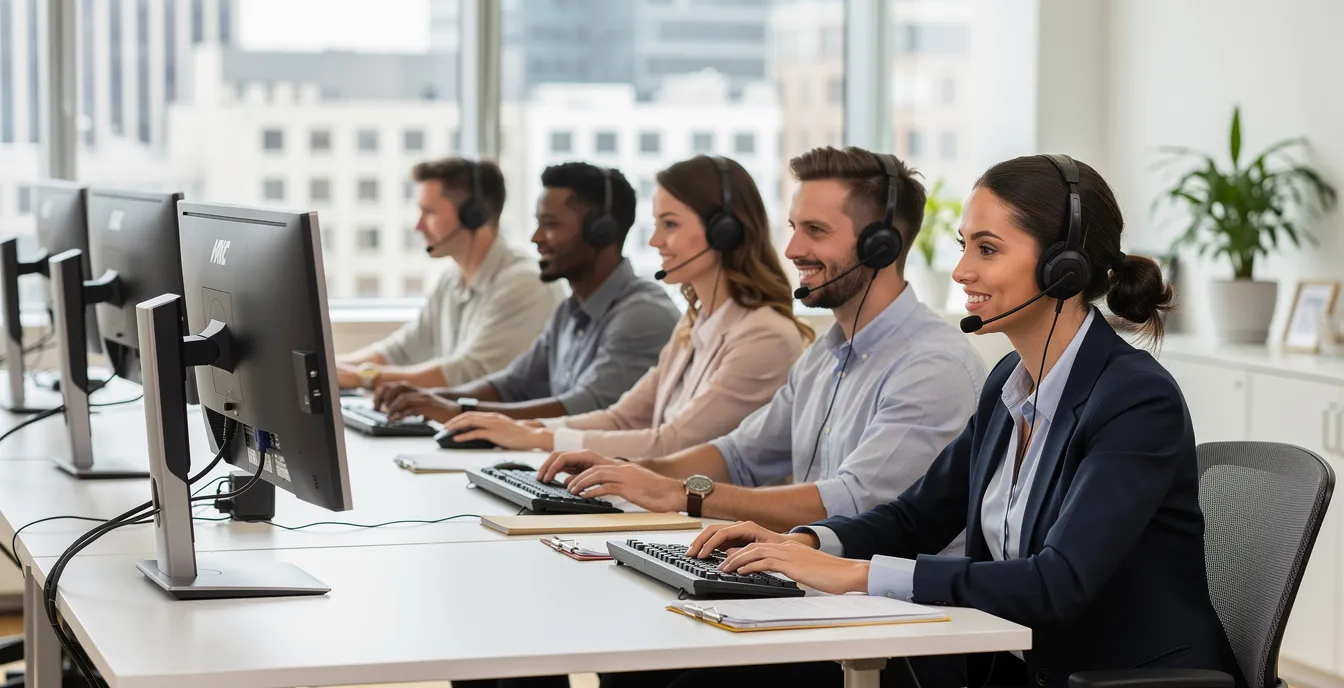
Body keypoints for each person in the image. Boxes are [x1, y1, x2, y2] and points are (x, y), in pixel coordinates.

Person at [679, 155, 1241, 688]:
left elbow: (1058, 583)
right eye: (963, 245)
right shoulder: (1007, 385)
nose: (962, 270)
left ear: (1063, 268)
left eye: (988, 249)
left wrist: (859, 575)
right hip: (1006, 664)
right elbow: (913, 518)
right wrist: (803, 543)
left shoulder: (1135, 400)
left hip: (1111, 679)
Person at [537, 146, 985, 535]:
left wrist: (679, 494)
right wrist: (624, 471)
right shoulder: (824, 357)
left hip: (897, 608)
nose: (791, 250)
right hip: (818, 578)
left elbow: (852, 499)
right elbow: (737, 455)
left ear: (880, 246)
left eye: (816, 231)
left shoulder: (931, 366)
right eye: (793, 227)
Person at [435, 155, 812, 455]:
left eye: (670, 225)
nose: (655, 241)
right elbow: (623, 418)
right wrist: (528, 430)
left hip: (722, 530)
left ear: (723, 231)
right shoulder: (694, 327)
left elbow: (672, 442)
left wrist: (540, 439)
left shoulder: (764, 335)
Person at [374, 162, 680, 423]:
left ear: (602, 232)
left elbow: (582, 408)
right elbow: (511, 385)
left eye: (550, 225)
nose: (535, 238)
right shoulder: (569, 312)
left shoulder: (641, 314)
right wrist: (429, 398)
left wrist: (456, 411)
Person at [335, 158, 562, 391]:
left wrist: (364, 378)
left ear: (474, 215)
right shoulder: (452, 280)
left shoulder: (525, 283)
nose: (418, 226)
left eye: (429, 212)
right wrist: (329, 368)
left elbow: (468, 372)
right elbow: (400, 351)